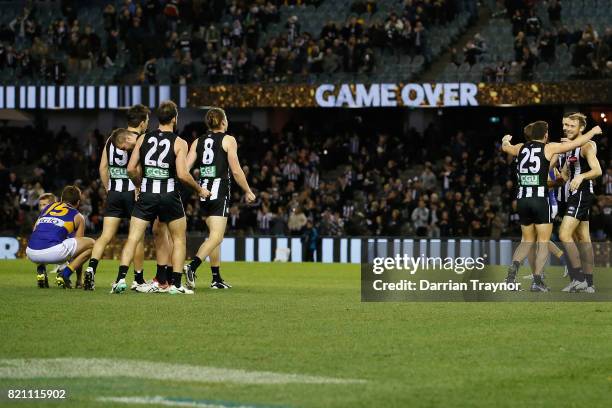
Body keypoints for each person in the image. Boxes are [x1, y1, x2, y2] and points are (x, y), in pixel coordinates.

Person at [111, 100, 209, 295]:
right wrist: (199, 190)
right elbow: (182, 174)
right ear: (174, 118)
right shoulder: (179, 142)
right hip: (169, 195)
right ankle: (176, 285)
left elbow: (130, 168)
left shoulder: (142, 139)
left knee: (133, 238)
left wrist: (140, 183)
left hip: (147, 194)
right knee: (179, 239)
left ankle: (120, 280)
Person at [501, 121, 601, 291]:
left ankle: (510, 277)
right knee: (543, 241)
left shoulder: (520, 148)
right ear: (545, 135)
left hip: (522, 200)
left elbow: (505, 147)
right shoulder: (549, 148)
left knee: (526, 240)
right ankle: (537, 281)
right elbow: (576, 143)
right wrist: (592, 131)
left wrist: (505, 140)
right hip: (540, 200)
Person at [184, 107, 256, 289]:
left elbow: (183, 169)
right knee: (217, 237)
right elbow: (237, 170)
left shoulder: (198, 141)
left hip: (203, 193)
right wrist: (248, 190)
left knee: (212, 237)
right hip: (219, 191)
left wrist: (197, 187)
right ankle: (192, 266)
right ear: (223, 122)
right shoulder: (228, 139)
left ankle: (216, 278)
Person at [85, 104, 150, 291]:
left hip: (114, 192)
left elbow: (102, 168)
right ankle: (138, 279)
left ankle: (91, 269)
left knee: (105, 235)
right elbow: (139, 169)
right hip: (133, 192)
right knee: (136, 237)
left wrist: (107, 188)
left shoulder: (111, 139)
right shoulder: (140, 140)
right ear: (142, 121)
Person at [557, 112, 603, 292]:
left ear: (581, 128)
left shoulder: (586, 146)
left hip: (582, 193)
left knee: (563, 234)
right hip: (574, 194)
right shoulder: (570, 147)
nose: (566, 128)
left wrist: (581, 176)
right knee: (583, 238)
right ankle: (589, 284)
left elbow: (597, 170)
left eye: (571, 125)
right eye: (565, 124)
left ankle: (578, 278)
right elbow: (565, 174)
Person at [26, 186, 95, 289]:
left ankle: (41, 270)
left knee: (43, 238)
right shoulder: (78, 216)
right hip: (53, 252)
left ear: (62, 199)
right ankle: (65, 274)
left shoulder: (47, 208)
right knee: (92, 244)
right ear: (78, 202)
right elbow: (79, 250)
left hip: (30, 251)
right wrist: (79, 280)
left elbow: (35, 229)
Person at [32, 192, 57, 287]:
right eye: (40, 205)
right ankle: (62, 275)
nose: (42, 207)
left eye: (44, 205)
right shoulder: (61, 216)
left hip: (37, 251)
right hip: (56, 250)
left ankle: (41, 271)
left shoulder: (40, 219)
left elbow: (34, 232)